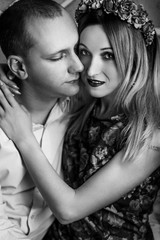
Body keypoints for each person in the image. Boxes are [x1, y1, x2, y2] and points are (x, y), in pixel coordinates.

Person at [0, 0, 160, 239]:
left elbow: (68, 210)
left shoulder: (148, 135)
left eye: (109, 55)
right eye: (84, 52)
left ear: (134, 58)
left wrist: (23, 137)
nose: (87, 69)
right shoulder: (83, 101)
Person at [0, 0, 83, 239]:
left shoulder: (80, 102)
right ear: (18, 67)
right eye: (58, 57)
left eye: (77, 49)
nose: (78, 66)